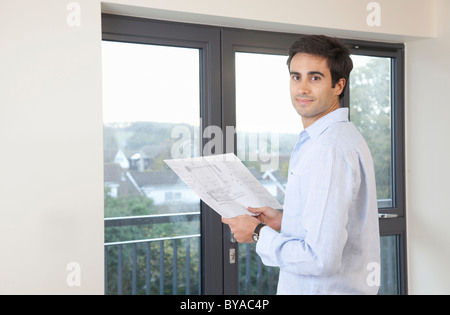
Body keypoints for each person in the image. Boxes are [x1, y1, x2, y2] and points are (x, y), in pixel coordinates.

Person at [222, 35, 380, 295]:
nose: (302, 89)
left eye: (315, 78)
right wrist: (284, 222)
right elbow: (332, 226)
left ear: (338, 85)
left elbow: (320, 259)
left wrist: (258, 232)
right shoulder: (338, 138)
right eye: (296, 77)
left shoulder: (328, 149)